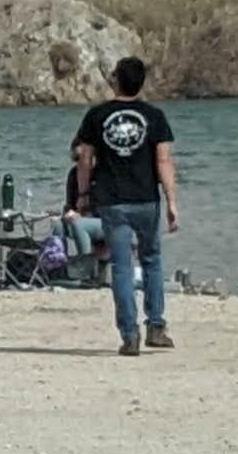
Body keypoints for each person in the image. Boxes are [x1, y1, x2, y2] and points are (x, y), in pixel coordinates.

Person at [68, 57, 181, 354]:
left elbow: (85, 159)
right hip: (146, 198)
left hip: (112, 200)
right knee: (152, 260)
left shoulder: (97, 115)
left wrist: (82, 194)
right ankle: (155, 325)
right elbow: (163, 161)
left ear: (116, 80)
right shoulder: (154, 116)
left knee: (121, 266)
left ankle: (129, 335)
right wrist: (171, 200)